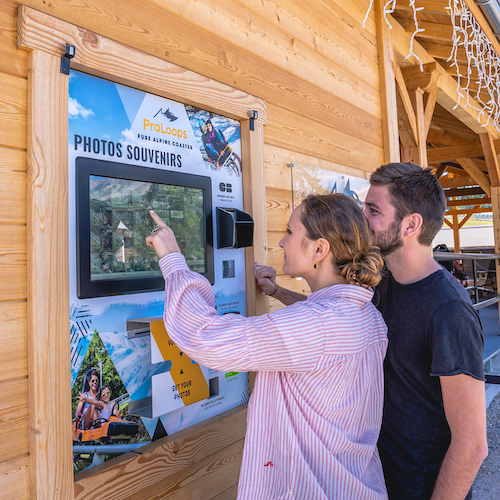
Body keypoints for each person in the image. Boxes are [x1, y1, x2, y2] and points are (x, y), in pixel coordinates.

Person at [254, 163, 488, 500]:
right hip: (374, 480)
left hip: (419, 487)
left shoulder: (448, 310)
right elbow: (331, 318)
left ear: (411, 224)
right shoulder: (384, 283)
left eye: (373, 210)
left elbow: (472, 444)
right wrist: (277, 291)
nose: (362, 218)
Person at [146, 193, 389, 499]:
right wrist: (275, 291)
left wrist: (171, 258)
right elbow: (320, 322)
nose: (281, 242)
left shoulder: (316, 325)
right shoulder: (367, 315)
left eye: (290, 232)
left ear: (319, 248)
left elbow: (205, 337)